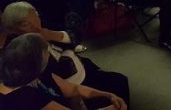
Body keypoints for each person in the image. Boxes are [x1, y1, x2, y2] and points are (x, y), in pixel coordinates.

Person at [2, 2, 131, 107]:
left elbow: (75, 37)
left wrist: (53, 34)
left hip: (81, 68)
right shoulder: (24, 56)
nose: (35, 26)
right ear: (14, 29)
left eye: (36, 17)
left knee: (118, 82)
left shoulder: (42, 29)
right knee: (117, 86)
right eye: (26, 24)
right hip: (74, 78)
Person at [0, 33, 128, 110]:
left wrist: (108, 95)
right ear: (35, 64)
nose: (50, 55)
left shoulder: (38, 73)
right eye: (47, 52)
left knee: (118, 84)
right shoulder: (25, 97)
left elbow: (73, 89)